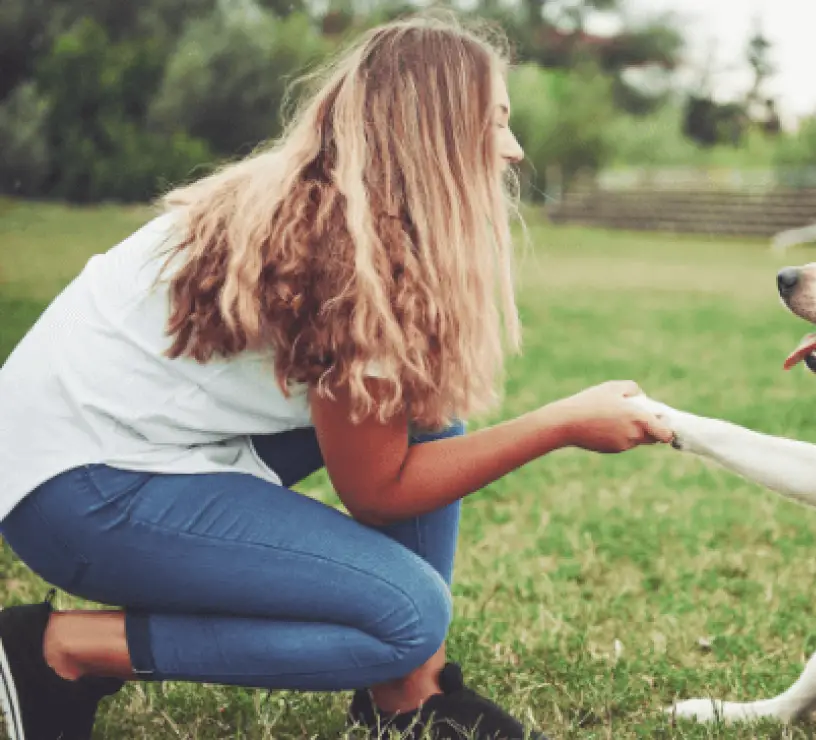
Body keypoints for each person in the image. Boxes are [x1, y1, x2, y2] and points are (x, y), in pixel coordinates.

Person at [0, 14, 672, 740]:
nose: (513, 150)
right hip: (78, 493)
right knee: (405, 613)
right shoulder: (352, 257)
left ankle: (408, 699)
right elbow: (379, 494)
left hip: (108, 452)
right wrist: (562, 424)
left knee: (426, 405)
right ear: (437, 134)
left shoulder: (342, 206)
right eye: (497, 123)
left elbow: (400, 431)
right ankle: (59, 652)